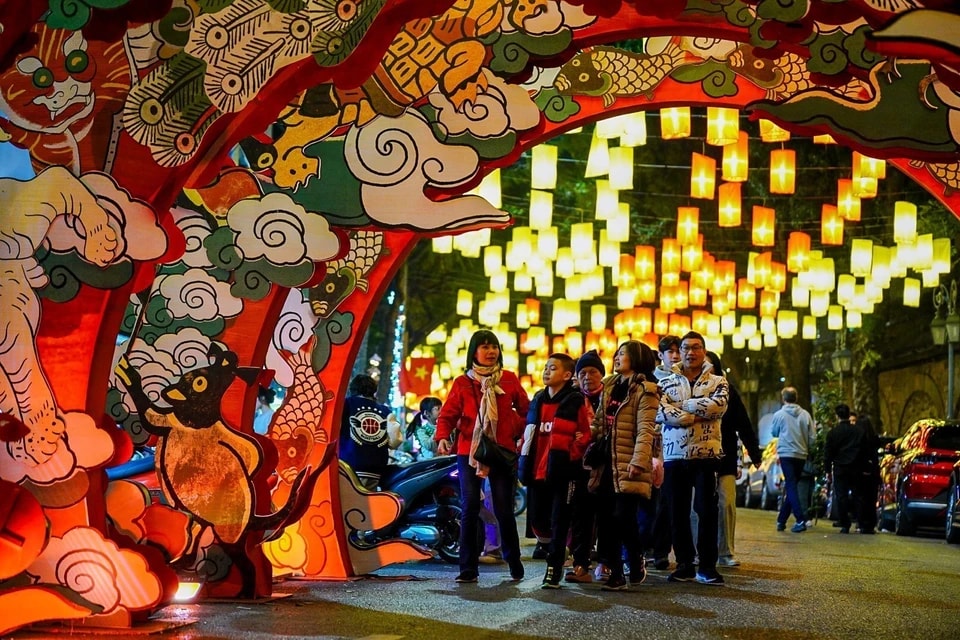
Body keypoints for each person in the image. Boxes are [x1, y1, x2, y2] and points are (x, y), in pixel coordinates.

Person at [435, 329, 530, 584]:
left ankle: (513, 560)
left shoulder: (508, 380)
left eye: (495, 347)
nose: (491, 352)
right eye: (485, 347)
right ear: (474, 352)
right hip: (470, 451)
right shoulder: (462, 383)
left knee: (503, 508)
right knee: (469, 507)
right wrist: (443, 436)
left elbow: (526, 411)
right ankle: (467, 568)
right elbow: (447, 415)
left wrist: (512, 428)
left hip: (503, 451)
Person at [587, 340, 662, 591]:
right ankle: (617, 572)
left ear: (636, 358)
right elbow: (599, 422)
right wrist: (587, 436)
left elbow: (645, 430)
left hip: (629, 461)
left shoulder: (646, 390)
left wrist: (639, 461)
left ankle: (635, 558)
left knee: (623, 517)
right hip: (606, 462)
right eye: (617, 353)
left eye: (623, 354)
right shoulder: (609, 385)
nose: (617, 357)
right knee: (608, 518)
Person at [658, 331, 728, 586]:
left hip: (706, 454)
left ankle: (708, 566)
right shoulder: (666, 382)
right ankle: (684, 564)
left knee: (706, 510)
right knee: (677, 512)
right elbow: (660, 411)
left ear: (704, 351)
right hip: (674, 456)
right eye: (686, 347)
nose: (690, 352)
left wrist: (684, 406)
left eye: (696, 347)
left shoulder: (719, 381)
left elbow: (718, 406)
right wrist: (695, 412)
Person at [519, 353, 592, 588]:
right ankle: (557, 550)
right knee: (538, 522)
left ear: (567, 375)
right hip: (537, 472)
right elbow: (529, 434)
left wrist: (569, 457)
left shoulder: (574, 400)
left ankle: (554, 567)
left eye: (553, 368)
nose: (546, 371)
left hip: (563, 472)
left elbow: (584, 435)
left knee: (560, 520)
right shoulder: (538, 399)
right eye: (546, 367)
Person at [705, 352, 762, 567]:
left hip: (724, 457)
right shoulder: (687, 389)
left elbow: (743, 423)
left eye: (709, 365)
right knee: (696, 507)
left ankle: (725, 552)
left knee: (725, 503)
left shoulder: (728, 391)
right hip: (695, 458)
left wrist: (754, 453)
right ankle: (696, 554)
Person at [565, 349, 604, 583]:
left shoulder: (610, 396)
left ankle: (608, 563)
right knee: (580, 516)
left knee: (608, 516)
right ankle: (581, 564)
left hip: (606, 464)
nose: (587, 377)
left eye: (592, 372)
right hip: (578, 465)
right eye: (583, 373)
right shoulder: (572, 398)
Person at [649, 335, 682, 571]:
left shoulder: (687, 380)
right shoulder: (652, 380)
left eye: (677, 350)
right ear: (660, 355)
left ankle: (661, 551)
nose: (676, 355)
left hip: (675, 449)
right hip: (652, 444)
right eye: (670, 351)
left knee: (669, 502)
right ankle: (648, 547)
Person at [338, 374, 402, 490]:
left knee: (348, 504)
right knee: (368, 503)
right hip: (376, 468)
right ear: (373, 390)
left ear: (352, 389)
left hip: (348, 466)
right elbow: (395, 441)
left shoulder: (345, 405)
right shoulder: (385, 411)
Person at [770, 386, 816, 533]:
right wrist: (808, 449)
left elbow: (774, 432)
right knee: (792, 485)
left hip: (786, 453)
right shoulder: (806, 415)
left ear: (784, 399)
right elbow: (812, 437)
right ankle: (781, 520)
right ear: (796, 398)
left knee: (791, 486)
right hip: (801, 454)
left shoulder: (779, 415)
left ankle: (800, 519)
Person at [824, 403, 864, 534]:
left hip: (840, 467)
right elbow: (865, 449)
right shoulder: (858, 432)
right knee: (858, 494)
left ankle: (845, 523)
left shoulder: (833, 433)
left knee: (841, 495)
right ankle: (860, 522)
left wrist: (827, 470)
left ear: (837, 416)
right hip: (856, 466)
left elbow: (828, 453)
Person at [855, 413, 881, 534]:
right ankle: (870, 524)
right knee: (871, 498)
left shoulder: (858, 439)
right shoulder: (874, 439)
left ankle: (861, 523)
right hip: (872, 472)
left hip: (860, 470)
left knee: (861, 498)